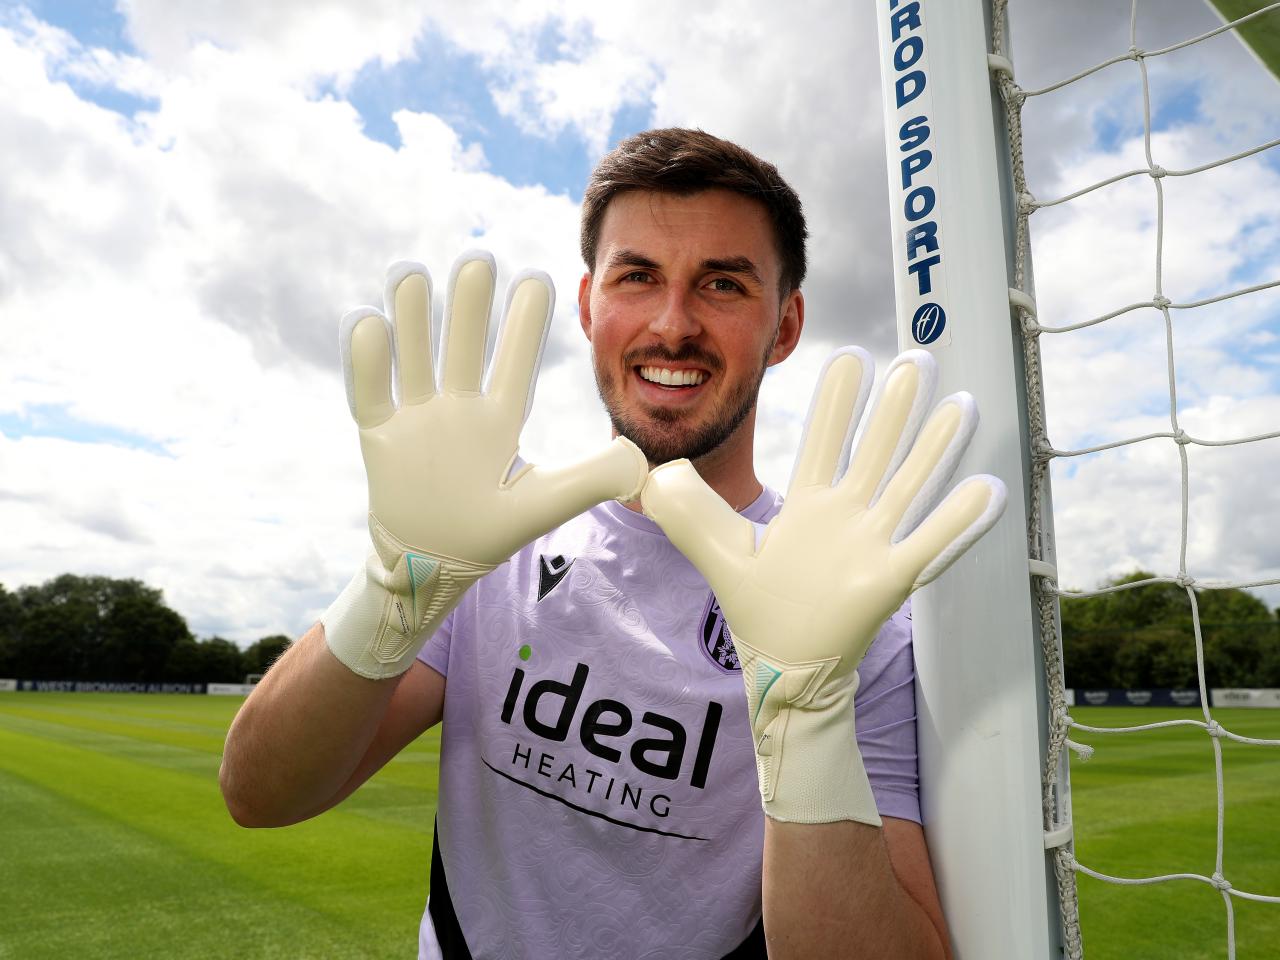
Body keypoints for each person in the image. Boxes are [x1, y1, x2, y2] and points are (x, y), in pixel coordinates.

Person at [220, 128, 1003, 959]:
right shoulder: (487, 539)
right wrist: (388, 591)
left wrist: (805, 720)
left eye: (724, 284)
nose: (673, 325)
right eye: (638, 277)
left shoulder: (858, 616)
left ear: (784, 325)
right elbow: (260, 793)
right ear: (590, 305)